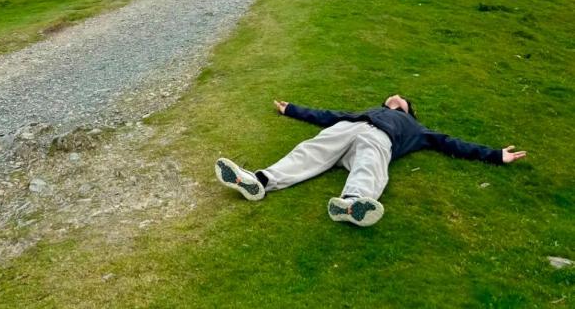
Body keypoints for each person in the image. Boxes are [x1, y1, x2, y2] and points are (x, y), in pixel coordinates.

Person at [215, 94, 526, 227]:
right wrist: (292, 109)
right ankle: (260, 180)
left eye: (400, 98)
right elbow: (327, 116)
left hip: (379, 139)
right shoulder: (363, 113)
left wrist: (496, 155)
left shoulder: (416, 129)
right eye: (391, 96)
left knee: (370, 163)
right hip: (347, 131)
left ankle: (352, 203)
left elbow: (451, 143)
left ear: (408, 110)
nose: (395, 96)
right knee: (309, 151)